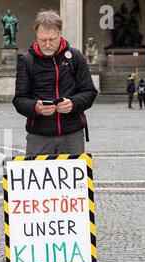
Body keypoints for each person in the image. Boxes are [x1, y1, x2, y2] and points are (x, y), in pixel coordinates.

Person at [12, 11, 98, 156]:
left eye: (52, 39)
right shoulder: (26, 60)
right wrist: (36, 108)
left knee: (74, 179)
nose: (47, 44)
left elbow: (89, 92)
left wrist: (73, 104)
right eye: (42, 39)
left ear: (60, 34)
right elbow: (19, 100)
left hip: (72, 133)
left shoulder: (75, 56)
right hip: (39, 135)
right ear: (36, 35)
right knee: (38, 178)